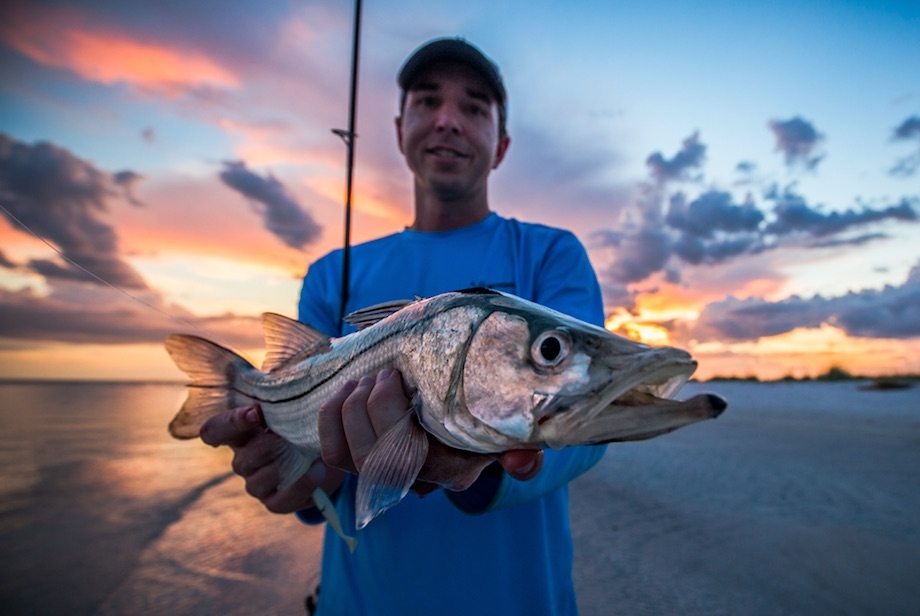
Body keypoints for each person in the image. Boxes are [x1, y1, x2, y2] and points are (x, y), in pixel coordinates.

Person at [200, 37, 607, 615]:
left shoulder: (550, 254)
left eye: (473, 107)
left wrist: (484, 469)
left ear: (502, 145)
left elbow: (586, 425)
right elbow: (316, 475)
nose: (447, 120)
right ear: (398, 130)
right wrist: (295, 474)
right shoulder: (332, 273)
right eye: (427, 102)